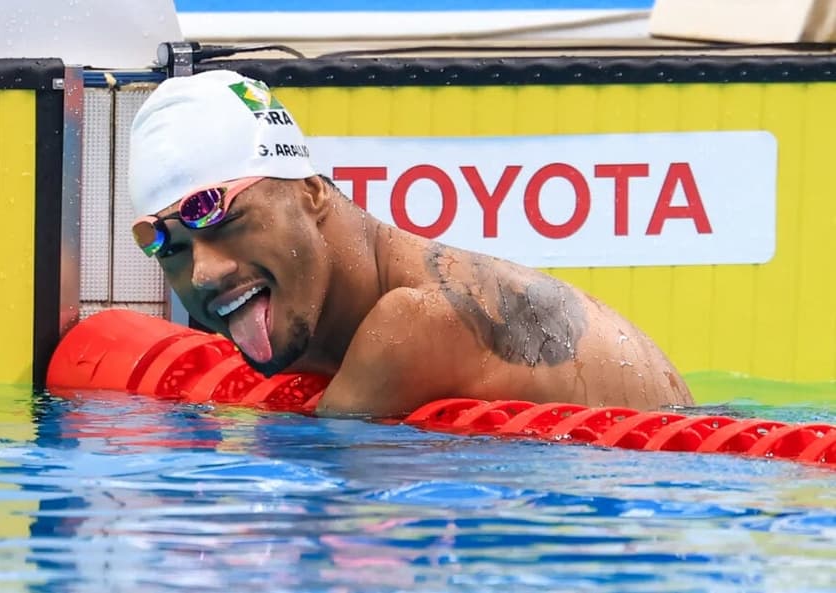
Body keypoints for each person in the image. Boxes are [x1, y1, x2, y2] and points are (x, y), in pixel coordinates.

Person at [128, 69, 694, 418]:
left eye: (223, 221)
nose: (201, 274)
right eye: (172, 248)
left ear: (310, 194)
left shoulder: (411, 322)